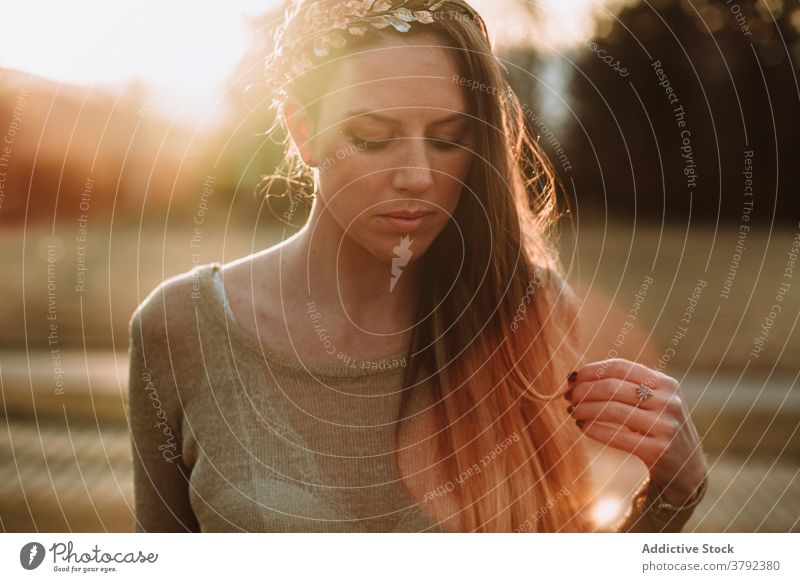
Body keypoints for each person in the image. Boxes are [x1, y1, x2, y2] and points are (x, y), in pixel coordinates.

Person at [128, 0, 708, 533]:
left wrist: (672, 494)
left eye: (447, 140)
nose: (418, 176)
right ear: (304, 131)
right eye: (373, 138)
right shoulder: (180, 328)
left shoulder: (527, 312)